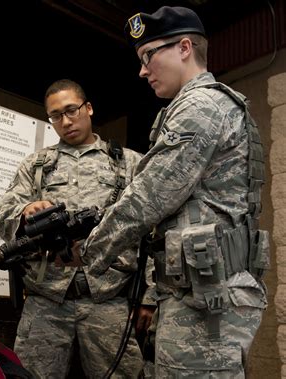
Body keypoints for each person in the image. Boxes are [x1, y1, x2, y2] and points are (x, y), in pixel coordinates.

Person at [81, 6, 269, 378]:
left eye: (148, 56)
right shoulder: (207, 105)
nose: (142, 70)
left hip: (206, 302)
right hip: (202, 292)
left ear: (184, 47)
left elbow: (150, 196)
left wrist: (89, 249)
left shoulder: (200, 106)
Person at [0, 79, 150, 378]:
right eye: (55, 116)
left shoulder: (128, 163)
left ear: (88, 108)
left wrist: (150, 297)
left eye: (71, 110)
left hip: (108, 301)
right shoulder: (37, 164)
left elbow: (151, 232)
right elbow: (2, 213)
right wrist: (24, 212)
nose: (65, 121)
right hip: (46, 301)